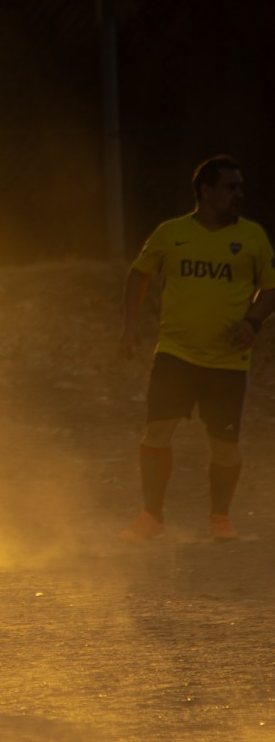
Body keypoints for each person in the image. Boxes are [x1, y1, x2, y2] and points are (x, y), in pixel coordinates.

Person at [118, 155, 275, 542]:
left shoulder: (253, 236)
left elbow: (270, 288)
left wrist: (252, 322)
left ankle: (220, 518)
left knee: (225, 447)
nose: (239, 194)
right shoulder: (171, 233)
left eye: (241, 186)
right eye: (230, 187)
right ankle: (151, 516)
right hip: (175, 354)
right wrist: (130, 328)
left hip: (227, 362)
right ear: (206, 192)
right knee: (157, 432)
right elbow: (138, 275)